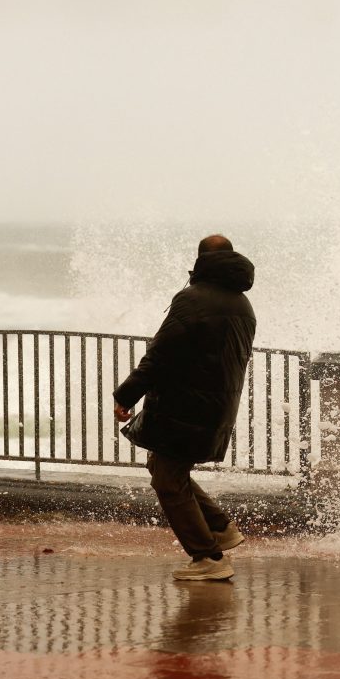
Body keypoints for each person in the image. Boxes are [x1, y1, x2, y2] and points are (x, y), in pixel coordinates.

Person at [113, 234, 256, 581]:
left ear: (200, 260)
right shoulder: (243, 305)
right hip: (218, 405)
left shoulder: (193, 299)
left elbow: (161, 354)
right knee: (165, 468)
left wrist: (126, 394)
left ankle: (208, 556)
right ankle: (219, 527)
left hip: (185, 406)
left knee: (167, 479)